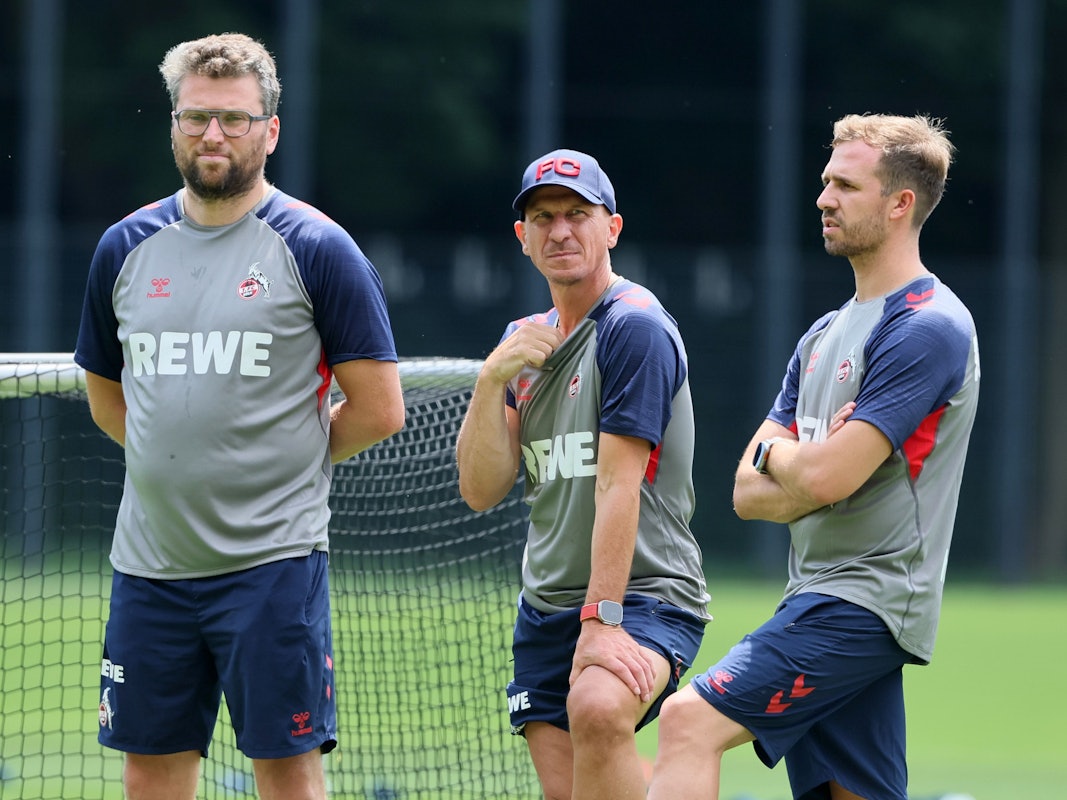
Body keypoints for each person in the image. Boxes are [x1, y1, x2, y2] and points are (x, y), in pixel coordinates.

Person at [74, 33, 405, 800]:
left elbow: (380, 408)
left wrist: (281, 463)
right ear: (173, 125)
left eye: (232, 119)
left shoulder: (317, 248)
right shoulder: (123, 247)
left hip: (272, 567)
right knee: (148, 772)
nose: (212, 135)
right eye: (195, 118)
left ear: (270, 130)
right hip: (149, 571)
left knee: (286, 774)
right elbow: (106, 396)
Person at [646, 113, 981, 800]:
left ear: (898, 205)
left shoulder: (927, 326)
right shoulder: (823, 334)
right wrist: (797, 463)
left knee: (686, 722)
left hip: (866, 602)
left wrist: (789, 458)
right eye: (825, 182)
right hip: (819, 594)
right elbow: (745, 492)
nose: (823, 199)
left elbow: (827, 475)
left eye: (844, 186)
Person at [455, 148, 711, 800]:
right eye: (542, 217)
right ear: (521, 237)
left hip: (643, 595)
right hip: (544, 609)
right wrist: (490, 381)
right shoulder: (524, 341)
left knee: (598, 708)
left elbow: (616, 483)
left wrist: (602, 621)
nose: (559, 230)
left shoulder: (633, 328)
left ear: (611, 228)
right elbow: (481, 490)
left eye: (576, 213)